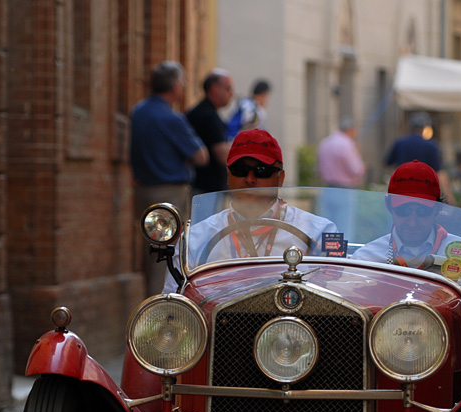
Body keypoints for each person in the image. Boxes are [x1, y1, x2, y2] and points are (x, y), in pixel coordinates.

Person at [353, 161, 461, 358]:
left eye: (423, 211)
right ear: (389, 206)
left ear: (437, 209)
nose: (413, 221)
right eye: (404, 210)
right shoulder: (364, 259)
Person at [163, 130, 335, 293]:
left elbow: (337, 298)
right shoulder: (196, 238)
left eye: (262, 171)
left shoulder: (319, 232)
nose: (250, 179)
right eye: (240, 170)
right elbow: (173, 304)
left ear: (280, 178)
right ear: (228, 175)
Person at [130, 60, 209, 296]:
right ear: (174, 86)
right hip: (169, 193)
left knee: (151, 254)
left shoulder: (139, 112)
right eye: (182, 83)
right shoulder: (171, 117)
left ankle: (154, 302)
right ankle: (160, 308)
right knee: (169, 257)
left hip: (143, 190)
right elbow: (201, 156)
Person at [186, 68, 234, 196]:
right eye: (228, 89)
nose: (231, 94)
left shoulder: (199, 112)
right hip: (205, 192)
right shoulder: (208, 116)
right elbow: (223, 155)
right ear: (214, 88)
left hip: (202, 189)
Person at [316, 118, 366, 189]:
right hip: (345, 188)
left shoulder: (325, 142)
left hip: (328, 186)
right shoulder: (348, 143)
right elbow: (356, 170)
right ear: (350, 130)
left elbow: (319, 168)